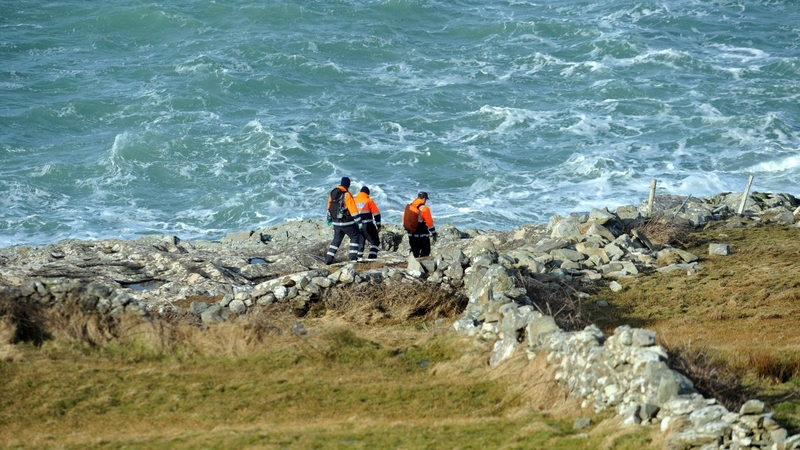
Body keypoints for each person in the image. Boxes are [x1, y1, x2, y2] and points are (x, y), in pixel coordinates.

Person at [324, 177, 362, 264]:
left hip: (336, 222)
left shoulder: (333, 193)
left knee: (336, 240)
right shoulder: (347, 194)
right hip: (347, 222)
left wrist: (329, 219)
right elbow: (353, 209)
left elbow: (329, 207)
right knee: (355, 237)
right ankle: (353, 258)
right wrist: (359, 221)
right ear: (348, 185)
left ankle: (328, 258)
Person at [354, 186, 382, 260]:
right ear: (367, 193)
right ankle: (372, 258)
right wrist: (378, 226)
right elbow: (376, 214)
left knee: (361, 242)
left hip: (357, 225)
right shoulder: (369, 200)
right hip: (367, 225)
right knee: (375, 241)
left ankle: (358, 258)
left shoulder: (354, 200)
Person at [407, 191, 437, 258]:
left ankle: (412, 265)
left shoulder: (410, 207)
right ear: (424, 199)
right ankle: (422, 266)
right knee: (425, 250)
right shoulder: (425, 208)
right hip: (422, 234)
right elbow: (429, 223)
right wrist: (434, 233)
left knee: (414, 251)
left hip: (411, 234)